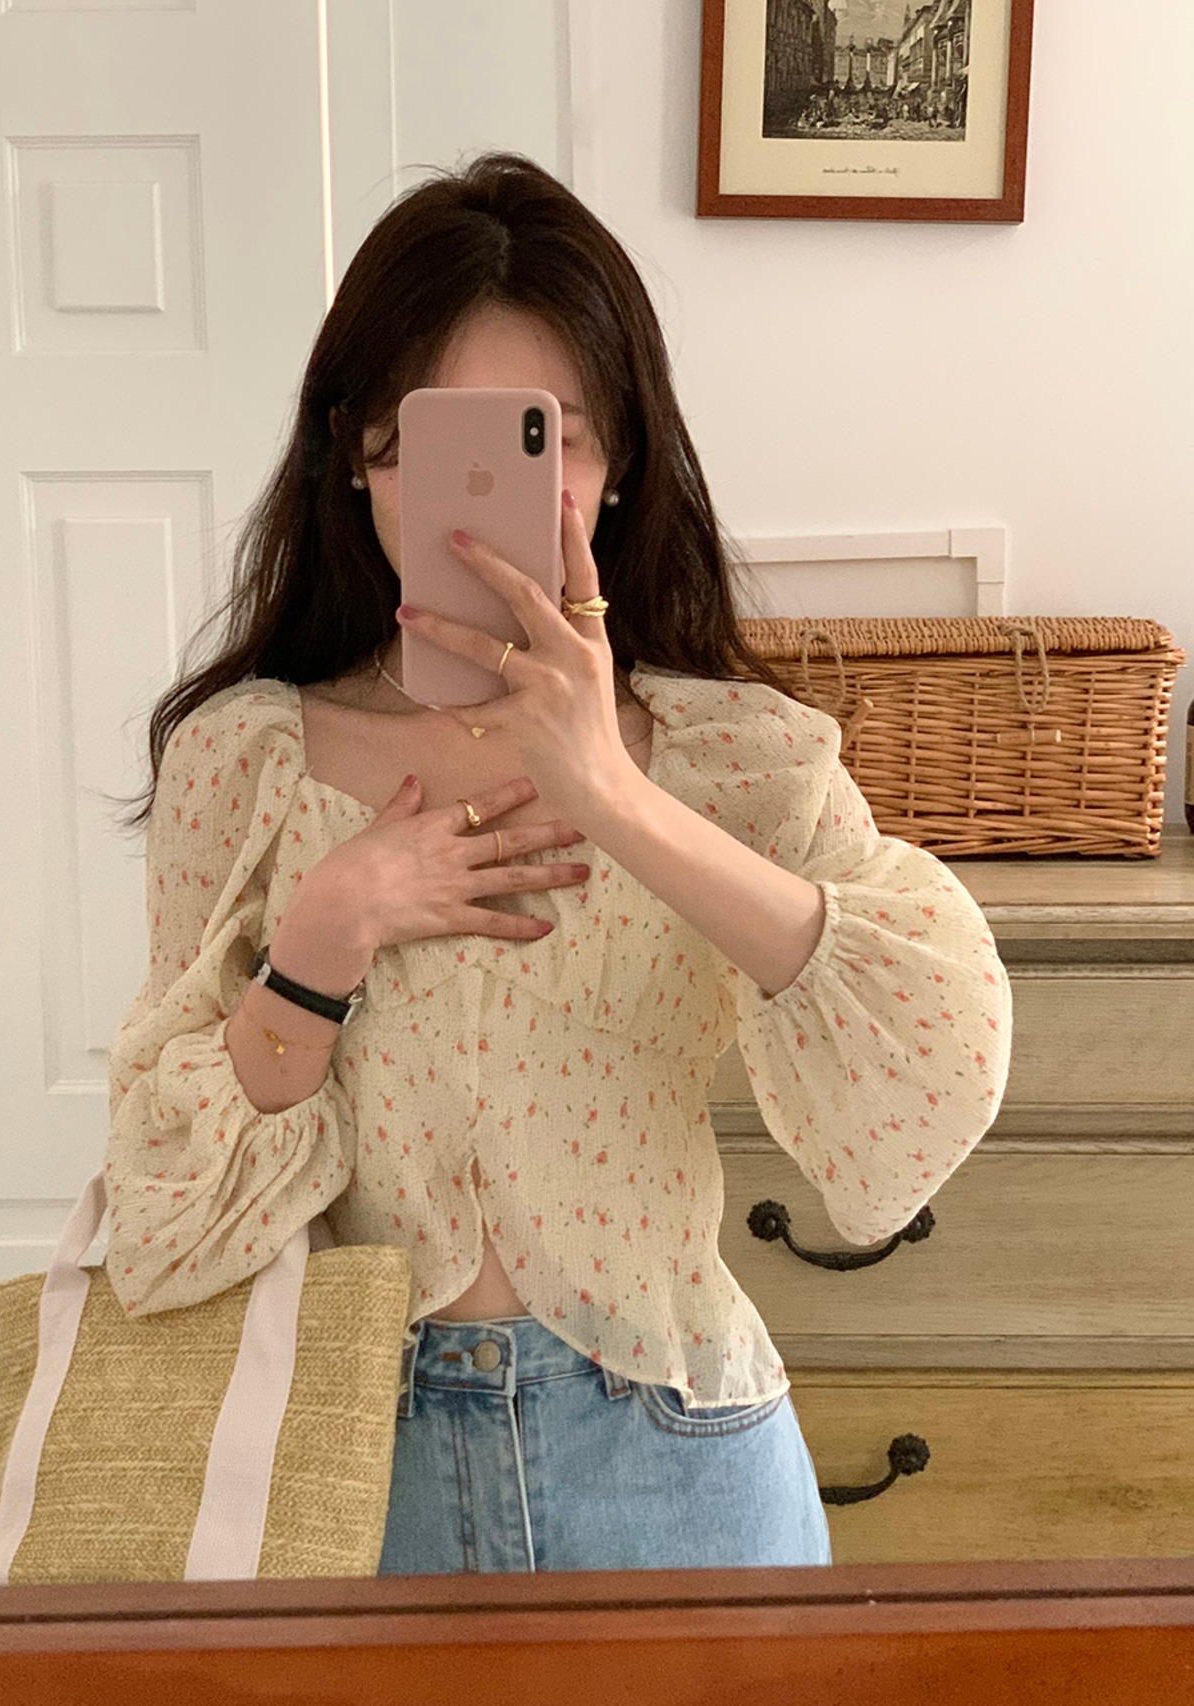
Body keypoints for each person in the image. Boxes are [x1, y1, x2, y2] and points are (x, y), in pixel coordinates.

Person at [103, 150, 1013, 1575]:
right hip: (352, 1472)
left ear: (620, 462)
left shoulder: (733, 754)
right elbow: (167, 1215)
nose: (477, 496)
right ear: (354, 453)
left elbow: (933, 1062)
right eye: (422, 440)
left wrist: (614, 792)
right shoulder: (249, 763)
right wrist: (323, 942)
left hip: (678, 1461)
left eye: (547, 440)